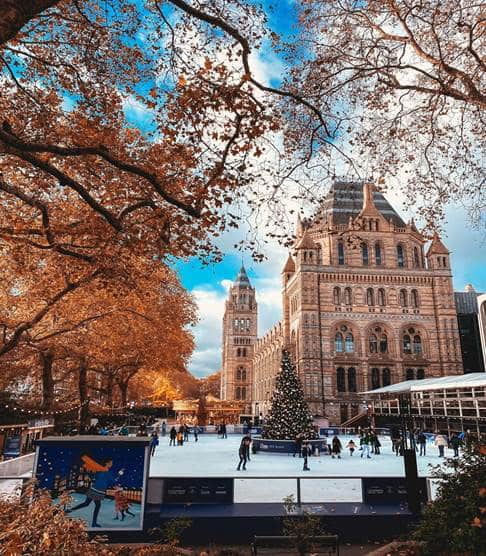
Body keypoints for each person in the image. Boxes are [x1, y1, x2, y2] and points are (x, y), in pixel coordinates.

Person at [66, 456, 118, 528]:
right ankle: (94, 523)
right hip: (98, 491)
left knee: (86, 503)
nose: (111, 464)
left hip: (94, 489)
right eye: (111, 463)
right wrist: (116, 486)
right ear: (107, 463)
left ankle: (70, 510)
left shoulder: (101, 471)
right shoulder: (107, 472)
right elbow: (112, 482)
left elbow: (96, 477)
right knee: (96, 506)